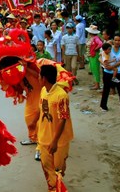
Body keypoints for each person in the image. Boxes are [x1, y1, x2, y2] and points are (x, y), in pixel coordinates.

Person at [37, 64, 73, 192]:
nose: (38, 78)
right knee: (46, 166)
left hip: (59, 141)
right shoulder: (42, 91)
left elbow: (63, 119)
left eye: (39, 76)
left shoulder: (61, 95)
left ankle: (56, 186)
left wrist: (55, 141)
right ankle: (53, 188)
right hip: (43, 138)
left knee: (58, 169)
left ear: (44, 78)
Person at [100, 35, 120, 116]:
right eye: (115, 40)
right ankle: (103, 106)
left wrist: (112, 67)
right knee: (106, 90)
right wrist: (104, 65)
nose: (117, 42)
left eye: (119, 40)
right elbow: (100, 57)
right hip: (107, 72)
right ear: (113, 40)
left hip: (118, 72)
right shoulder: (108, 48)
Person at [85, 25, 103, 90]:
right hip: (92, 55)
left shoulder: (95, 38)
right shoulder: (93, 38)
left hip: (94, 55)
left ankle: (97, 84)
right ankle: (96, 83)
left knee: (95, 70)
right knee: (94, 69)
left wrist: (95, 49)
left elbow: (100, 44)